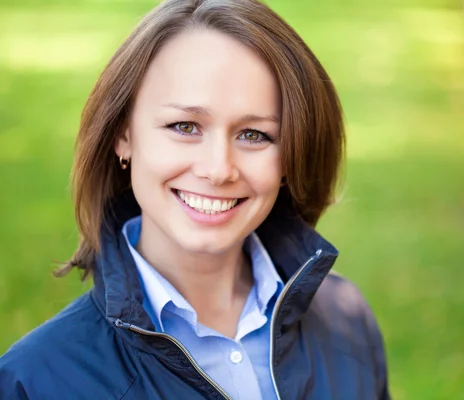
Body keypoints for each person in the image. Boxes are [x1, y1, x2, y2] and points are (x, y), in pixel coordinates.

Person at [0, 0, 389, 398]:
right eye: (185, 126)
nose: (219, 169)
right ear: (123, 135)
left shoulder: (348, 327)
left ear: (290, 157)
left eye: (254, 135)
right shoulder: (32, 382)